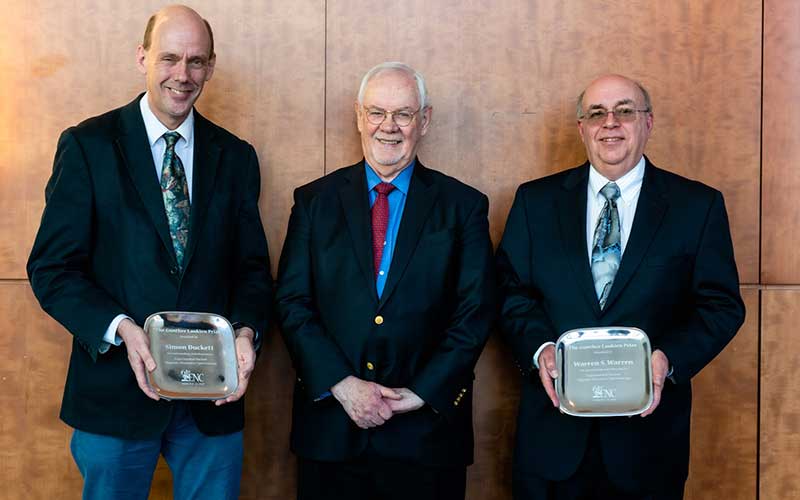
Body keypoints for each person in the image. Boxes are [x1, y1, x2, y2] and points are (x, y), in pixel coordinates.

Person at [26, 5, 272, 499]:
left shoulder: (236, 156)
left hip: (212, 402)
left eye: (197, 61)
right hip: (115, 392)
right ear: (143, 57)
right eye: (169, 58)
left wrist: (246, 331)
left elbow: (251, 270)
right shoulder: (88, 146)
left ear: (211, 66)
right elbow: (52, 269)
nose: (183, 75)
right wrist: (121, 329)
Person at [496, 74, 745, 499]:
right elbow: (508, 291)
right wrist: (541, 349)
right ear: (581, 128)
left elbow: (721, 305)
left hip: (647, 447)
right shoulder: (535, 202)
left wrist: (669, 359)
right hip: (552, 444)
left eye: (624, 111)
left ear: (648, 122)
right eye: (596, 113)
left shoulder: (696, 206)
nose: (609, 123)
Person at [275, 61, 495, 500]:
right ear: (359, 116)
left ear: (424, 120)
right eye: (376, 112)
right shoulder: (314, 202)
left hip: (427, 435)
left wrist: (419, 393)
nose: (388, 127)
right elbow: (292, 303)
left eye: (403, 114)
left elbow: (475, 313)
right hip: (332, 432)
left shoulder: (464, 206)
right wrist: (343, 384)